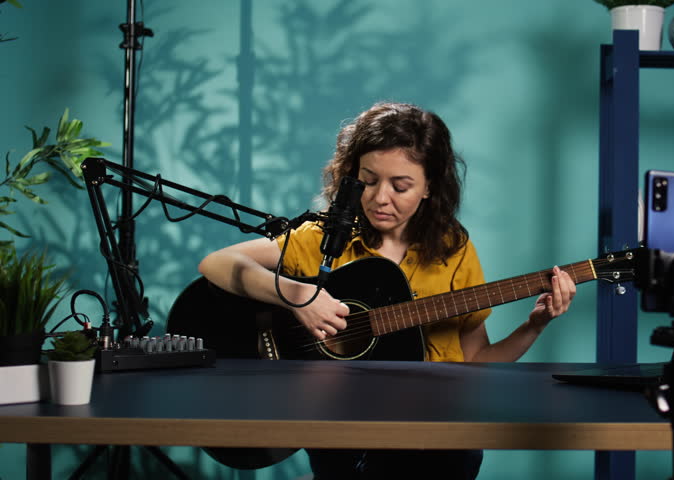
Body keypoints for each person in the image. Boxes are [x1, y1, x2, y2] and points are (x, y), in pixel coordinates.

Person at [198, 101, 576, 479]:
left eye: (400, 186)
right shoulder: (323, 238)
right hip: (342, 430)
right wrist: (297, 297)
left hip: (437, 433)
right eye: (368, 180)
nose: (380, 197)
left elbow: (476, 361)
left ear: (429, 186)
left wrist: (535, 325)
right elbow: (216, 263)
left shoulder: (453, 248)